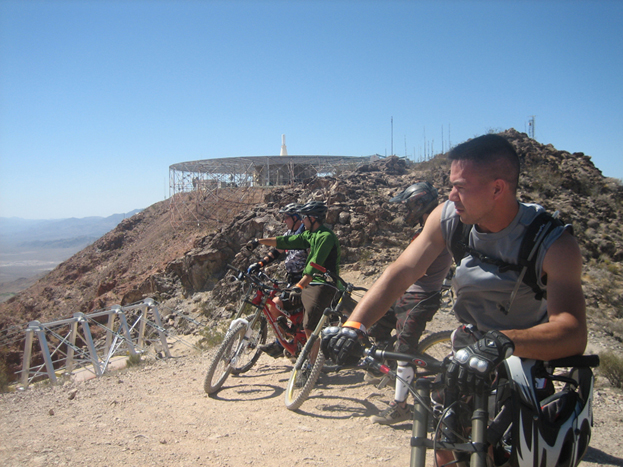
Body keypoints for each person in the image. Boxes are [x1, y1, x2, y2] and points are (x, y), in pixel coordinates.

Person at [322, 134, 586, 462]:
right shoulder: (448, 219)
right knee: (445, 450)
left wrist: (501, 342)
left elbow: (572, 331)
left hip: (526, 358)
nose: (451, 195)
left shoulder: (553, 242)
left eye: (461, 186)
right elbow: (401, 271)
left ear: (498, 189)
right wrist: (355, 325)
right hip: (467, 353)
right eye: (451, 185)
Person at [367, 181, 453, 425]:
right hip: (407, 293)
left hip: (421, 296)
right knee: (377, 326)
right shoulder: (425, 228)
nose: (404, 212)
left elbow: (418, 268)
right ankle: (389, 368)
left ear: (419, 204)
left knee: (405, 351)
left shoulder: (437, 230)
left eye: (407, 206)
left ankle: (400, 406)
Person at [251, 200, 342, 363]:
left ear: (313, 218)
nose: (302, 220)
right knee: (279, 304)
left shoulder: (325, 236)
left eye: (305, 217)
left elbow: (314, 265)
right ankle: (290, 340)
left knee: (309, 326)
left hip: (324, 283)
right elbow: (285, 242)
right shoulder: (309, 234)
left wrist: (299, 285)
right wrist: (259, 242)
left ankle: (311, 366)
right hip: (309, 283)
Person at [247, 203, 308, 358]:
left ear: (295, 218)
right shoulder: (289, 233)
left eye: (286, 217)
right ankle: (288, 339)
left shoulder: (304, 234)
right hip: (291, 279)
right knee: (279, 304)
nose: (284, 221)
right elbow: (276, 252)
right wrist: (260, 264)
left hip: (304, 280)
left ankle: (284, 341)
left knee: (276, 303)